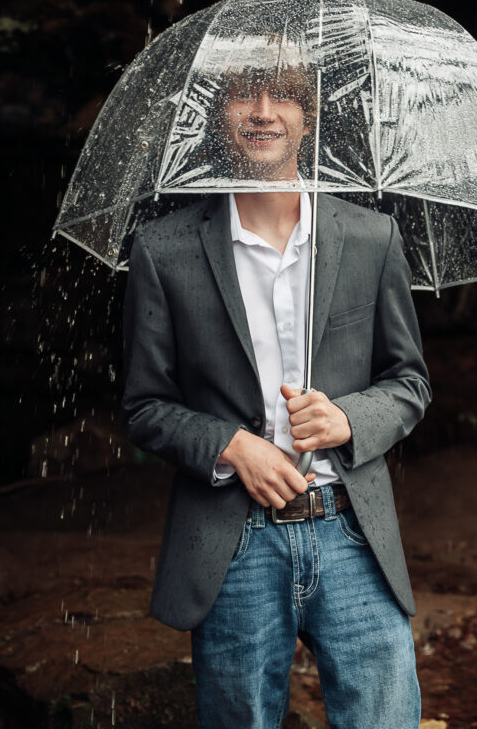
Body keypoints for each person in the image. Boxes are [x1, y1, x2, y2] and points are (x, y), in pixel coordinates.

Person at [121, 58, 431, 729]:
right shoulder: (164, 249)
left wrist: (348, 418)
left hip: (352, 530)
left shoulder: (369, 237)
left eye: (284, 95)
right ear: (219, 114)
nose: (264, 109)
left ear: (307, 116)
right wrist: (229, 445)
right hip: (233, 543)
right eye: (244, 94)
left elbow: (409, 383)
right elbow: (144, 406)